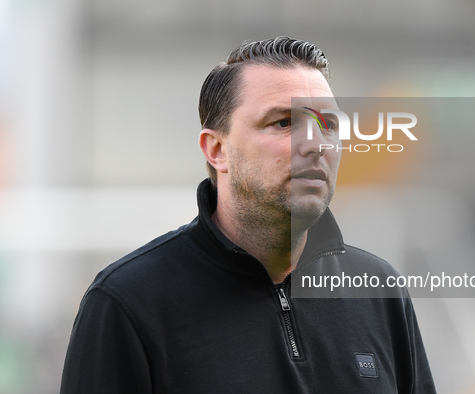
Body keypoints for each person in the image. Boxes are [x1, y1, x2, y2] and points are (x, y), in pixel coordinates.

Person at [60, 37, 436, 393]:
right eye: (283, 123)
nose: (316, 144)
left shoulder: (378, 290)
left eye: (329, 125)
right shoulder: (128, 302)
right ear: (217, 149)